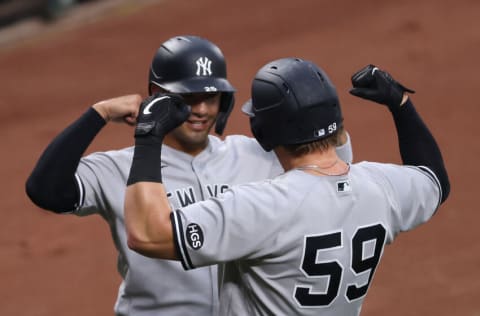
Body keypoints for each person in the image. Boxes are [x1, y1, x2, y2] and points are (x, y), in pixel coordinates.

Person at [25, 36, 353, 315]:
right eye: (187, 98)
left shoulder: (254, 154)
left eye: (210, 97)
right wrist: (99, 113)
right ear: (157, 93)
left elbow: (332, 167)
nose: (201, 110)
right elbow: (45, 190)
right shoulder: (120, 168)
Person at [124, 58, 450, 315]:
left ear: (264, 134)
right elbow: (434, 179)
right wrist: (401, 104)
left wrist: (149, 136)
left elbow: (147, 234)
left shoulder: (263, 207)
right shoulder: (382, 187)